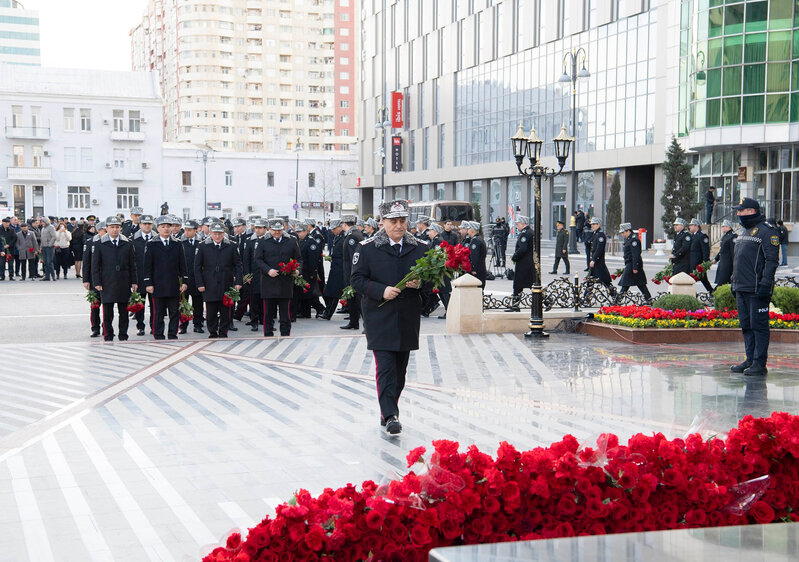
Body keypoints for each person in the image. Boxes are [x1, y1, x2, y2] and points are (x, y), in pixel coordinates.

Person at [350, 200, 428, 436]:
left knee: (400, 370)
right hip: (379, 316)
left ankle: (388, 410)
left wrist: (420, 284)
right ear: (383, 222)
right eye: (393, 221)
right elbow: (356, 280)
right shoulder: (367, 248)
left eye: (402, 221)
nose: (398, 226)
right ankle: (391, 415)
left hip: (407, 317)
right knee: (385, 368)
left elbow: (434, 280)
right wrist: (380, 290)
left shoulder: (421, 248)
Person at [729, 197, 779, 377]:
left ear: (751, 211)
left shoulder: (767, 232)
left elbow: (772, 261)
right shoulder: (744, 231)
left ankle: (759, 363)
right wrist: (734, 281)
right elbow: (739, 259)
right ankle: (750, 359)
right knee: (746, 325)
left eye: (740, 211)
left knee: (759, 326)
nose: (738, 213)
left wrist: (766, 284)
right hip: (742, 286)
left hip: (757, 288)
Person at [91, 216, 138, 341]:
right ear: (106, 229)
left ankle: (123, 334)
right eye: (112, 227)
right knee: (108, 312)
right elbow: (95, 265)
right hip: (107, 281)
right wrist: (97, 282)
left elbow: (132, 264)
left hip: (123, 281)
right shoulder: (100, 244)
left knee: (123, 311)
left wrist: (134, 281)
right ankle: (108, 335)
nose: (115, 230)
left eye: (117, 227)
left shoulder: (127, 243)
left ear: (121, 228)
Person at [194, 222, 243, 338]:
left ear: (224, 234)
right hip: (209, 283)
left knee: (226, 310)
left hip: (226, 282)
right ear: (210, 233)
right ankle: (212, 332)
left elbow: (238, 265)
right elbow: (197, 267)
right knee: (211, 311)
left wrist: (239, 282)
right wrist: (199, 283)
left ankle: (223, 332)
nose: (217, 236)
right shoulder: (202, 246)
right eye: (215, 233)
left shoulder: (232, 245)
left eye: (220, 233)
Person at [143, 216, 188, 340]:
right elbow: (147, 266)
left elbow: (182, 264)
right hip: (158, 284)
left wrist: (184, 281)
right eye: (163, 227)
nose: (166, 229)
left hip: (173, 283)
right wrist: (148, 283)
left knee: (174, 312)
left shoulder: (177, 243)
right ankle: (158, 334)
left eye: (168, 226)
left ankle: (172, 334)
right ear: (158, 228)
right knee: (158, 312)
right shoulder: (152, 244)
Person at [254, 219, 301, 337]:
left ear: (283, 229)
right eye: (274, 230)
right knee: (268, 312)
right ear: (270, 229)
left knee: (285, 313)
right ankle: (268, 333)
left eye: (279, 230)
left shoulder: (291, 241)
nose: (277, 232)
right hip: (269, 282)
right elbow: (258, 259)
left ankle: (285, 334)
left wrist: (297, 270)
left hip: (285, 282)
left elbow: (299, 259)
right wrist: (268, 270)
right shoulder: (263, 242)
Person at [131, 215, 156, 335]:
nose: (147, 226)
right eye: (144, 224)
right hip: (139, 277)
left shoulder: (157, 238)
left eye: (149, 224)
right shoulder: (133, 240)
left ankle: (154, 326)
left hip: (154, 278)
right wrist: (133, 279)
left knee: (155, 305)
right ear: (140, 225)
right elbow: (131, 261)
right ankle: (140, 326)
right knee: (140, 305)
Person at [179, 220, 205, 334]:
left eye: (190, 230)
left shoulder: (201, 243)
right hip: (184, 277)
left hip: (197, 277)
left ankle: (198, 324)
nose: (187, 232)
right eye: (186, 230)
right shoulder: (180, 242)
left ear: (196, 230)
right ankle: (183, 325)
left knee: (198, 303)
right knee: (183, 302)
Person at [242, 218, 268, 330]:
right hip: (254, 274)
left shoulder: (269, 240)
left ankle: (265, 320)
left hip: (266, 274)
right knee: (254, 299)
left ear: (265, 229)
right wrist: (247, 275)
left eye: (260, 228)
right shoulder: (250, 241)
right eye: (256, 228)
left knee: (266, 299)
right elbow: (245, 260)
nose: (257, 230)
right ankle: (254, 321)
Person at [341, 215, 365, 330]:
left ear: (344, 224)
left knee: (358, 300)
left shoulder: (353, 237)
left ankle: (366, 325)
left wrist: (352, 274)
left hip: (352, 272)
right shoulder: (355, 233)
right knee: (352, 299)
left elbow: (353, 258)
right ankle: (353, 322)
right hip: (351, 272)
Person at [617, 223, 651, 302]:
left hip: (632, 264)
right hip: (631, 264)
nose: (622, 234)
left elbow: (636, 255)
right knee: (640, 284)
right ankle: (649, 299)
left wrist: (635, 267)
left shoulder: (634, 240)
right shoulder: (630, 239)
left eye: (623, 232)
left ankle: (618, 300)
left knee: (625, 283)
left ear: (628, 231)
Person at [506, 216, 533, 312]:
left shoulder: (525, 234)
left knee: (518, 285)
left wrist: (515, 256)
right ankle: (547, 301)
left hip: (523, 263)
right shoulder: (530, 232)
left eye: (517, 224)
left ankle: (515, 306)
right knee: (532, 285)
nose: (516, 226)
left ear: (523, 223)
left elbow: (522, 249)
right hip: (530, 263)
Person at [82, 222, 105, 337]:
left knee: (107, 306)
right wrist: (85, 280)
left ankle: (106, 328)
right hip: (94, 279)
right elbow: (86, 263)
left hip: (107, 279)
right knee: (95, 306)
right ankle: (95, 328)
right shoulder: (90, 243)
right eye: (103, 230)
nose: (105, 233)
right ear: (98, 231)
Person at [321, 219, 345, 319]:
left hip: (340, 270)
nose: (332, 231)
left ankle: (328, 313)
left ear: (340, 227)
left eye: (334, 229)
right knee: (331, 292)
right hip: (335, 268)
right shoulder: (338, 237)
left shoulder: (344, 238)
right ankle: (327, 313)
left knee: (334, 293)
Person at [588, 217, 615, 294]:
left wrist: (593, 260)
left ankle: (615, 296)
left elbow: (599, 249)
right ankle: (586, 298)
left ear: (598, 225)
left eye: (594, 224)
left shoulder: (600, 235)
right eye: (591, 224)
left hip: (599, 262)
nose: (592, 226)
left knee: (605, 282)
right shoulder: (595, 234)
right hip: (595, 263)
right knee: (590, 281)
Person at [689, 218, 714, 293]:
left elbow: (705, 251)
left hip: (698, 264)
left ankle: (712, 294)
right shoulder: (692, 236)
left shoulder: (702, 236)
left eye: (691, 225)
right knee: (693, 280)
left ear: (696, 226)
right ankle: (693, 295)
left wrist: (704, 264)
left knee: (704, 280)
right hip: (692, 263)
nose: (689, 227)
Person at [713, 219, 736, 288]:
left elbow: (733, 252)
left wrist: (734, 265)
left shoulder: (733, 236)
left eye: (724, 226)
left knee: (722, 282)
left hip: (728, 264)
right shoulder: (725, 236)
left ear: (729, 227)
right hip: (723, 262)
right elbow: (722, 250)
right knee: (721, 282)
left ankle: (714, 294)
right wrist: (716, 259)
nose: (722, 228)